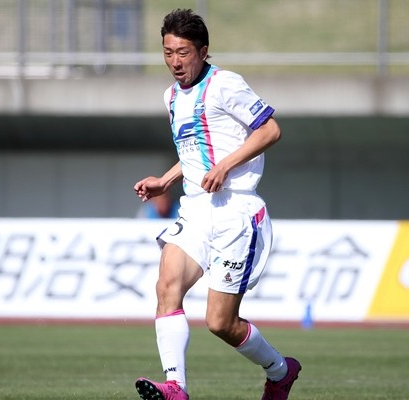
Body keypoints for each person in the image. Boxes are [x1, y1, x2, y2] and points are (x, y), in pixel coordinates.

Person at [132, 9, 301, 400]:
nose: (175, 62)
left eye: (184, 53)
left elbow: (270, 130)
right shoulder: (171, 97)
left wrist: (226, 166)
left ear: (203, 51)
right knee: (167, 286)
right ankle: (176, 386)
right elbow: (193, 153)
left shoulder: (225, 84)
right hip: (195, 210)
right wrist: (165, 180)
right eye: (168, 53)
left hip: (236, 211)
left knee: (221, 322)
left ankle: (280, 371)